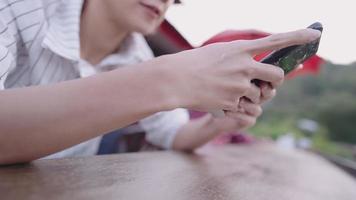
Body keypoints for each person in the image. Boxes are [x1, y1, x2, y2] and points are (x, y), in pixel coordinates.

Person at [0, 0, 321, 165]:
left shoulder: (140, 54)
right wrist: (168, 80)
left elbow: (174, 134)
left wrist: (220, 124)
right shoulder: (20, 8)